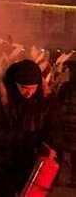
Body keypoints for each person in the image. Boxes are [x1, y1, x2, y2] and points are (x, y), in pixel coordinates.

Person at [0, 59, 57, 197]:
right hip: (2, 164)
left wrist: (49, 144)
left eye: (33, 87)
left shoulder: (45, 98)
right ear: (14, 84)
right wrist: (24, 138)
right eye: (24, 88)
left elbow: (52, 126)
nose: (29, 93)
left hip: (31, 164)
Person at [56, 59, 76, 187]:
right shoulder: (65, 87)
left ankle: (55, 178)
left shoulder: (65, 87)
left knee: (59, 152)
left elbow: (57, 104)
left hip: (64, 126)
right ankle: (73, 180)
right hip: (65, 126)